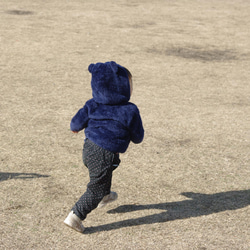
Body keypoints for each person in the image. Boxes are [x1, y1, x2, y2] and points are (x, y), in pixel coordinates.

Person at [64, 61, 144, 233]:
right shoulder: (130, 110)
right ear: (120, 86)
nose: (132, 88)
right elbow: (138, 136)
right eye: (130, 84)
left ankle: (105, 195)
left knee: (102, 176)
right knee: (95, 189)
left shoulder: (92, 104)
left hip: (89, 150)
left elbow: (76, 122)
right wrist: (134, 137)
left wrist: (74, 128)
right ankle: (75, 216)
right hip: (105, 154)